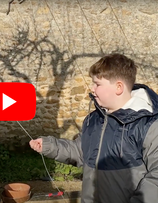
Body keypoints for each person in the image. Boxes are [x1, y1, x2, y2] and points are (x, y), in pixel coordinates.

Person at [30, 54, 158, 203]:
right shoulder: (93, 120)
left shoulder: (148, 124)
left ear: (118, 87)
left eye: (97, 84)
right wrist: (49, 146)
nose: (92, 89)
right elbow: (80, 152)